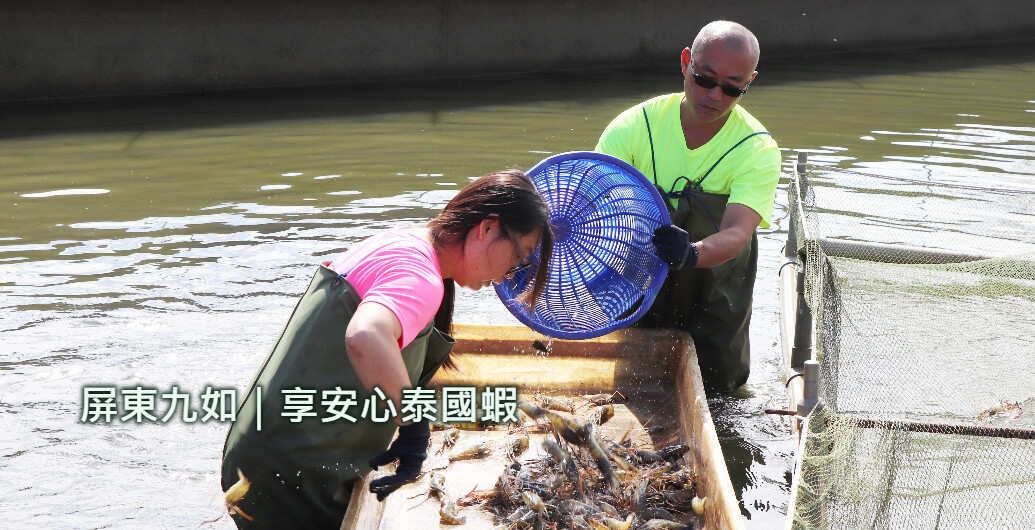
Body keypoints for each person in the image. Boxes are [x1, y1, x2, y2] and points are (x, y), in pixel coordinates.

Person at [220, 169, 554, 529]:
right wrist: (413, 426)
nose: (511, 273)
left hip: (260, 451)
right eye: (520, 256)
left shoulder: (404, 242)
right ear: (488, 227)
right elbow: (365, 336)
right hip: (291, 476)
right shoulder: (422, 277)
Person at [595, 20, 780, 391]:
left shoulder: (757, 149)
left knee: (718, 396)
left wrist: (691, 254)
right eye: (705, 79)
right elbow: (593, 210)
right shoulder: (634, 127)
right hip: (637, 285)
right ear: (685, 63)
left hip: (716, 293)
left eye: (732, 88)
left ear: (749, 82)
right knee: (630, 387)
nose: (714, 95)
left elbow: (737, 234)